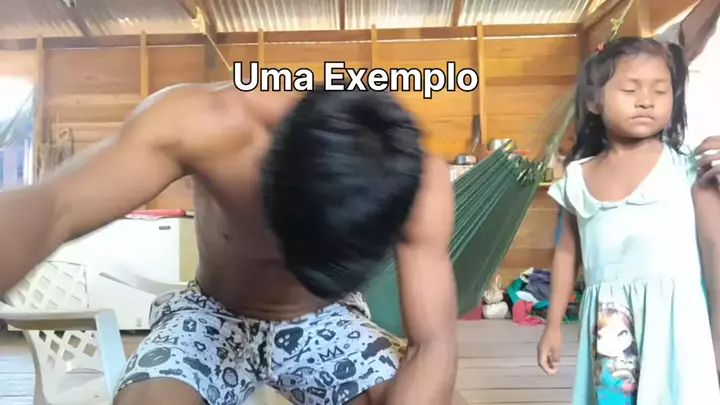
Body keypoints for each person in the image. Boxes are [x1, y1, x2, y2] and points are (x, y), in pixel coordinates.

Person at [0, 83, 462, 405]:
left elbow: (433, 343)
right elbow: (56, 206)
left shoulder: (417, 183)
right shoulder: (208, 125)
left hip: (326, 319)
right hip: (210, 315)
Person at [535, 33, 720, 404]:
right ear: (594, 101)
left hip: (678, 325)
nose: (646, 100)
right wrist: (552, 325)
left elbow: (715, 250)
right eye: (630, 89)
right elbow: (567, 254)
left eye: (660, 90)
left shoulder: (688, 169)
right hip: (610, 326)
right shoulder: (577, 178)